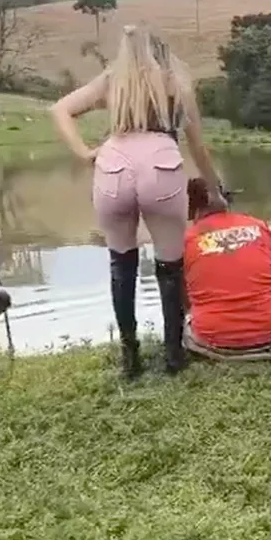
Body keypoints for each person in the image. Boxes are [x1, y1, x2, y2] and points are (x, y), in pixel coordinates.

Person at [50, 24, 226, 379]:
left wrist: (85, 153)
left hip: (112, 165)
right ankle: (173, 355)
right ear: (161, 52)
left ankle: (130, 358)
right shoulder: (175, 83)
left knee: (122, 262)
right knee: (170, 266)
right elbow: (198, 147)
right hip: (161, 166)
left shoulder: (112, 80)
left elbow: (60, 109)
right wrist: (215, 190)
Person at [182, 178, 271, 360]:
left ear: (190, 208)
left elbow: (184, 300)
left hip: (211, 340)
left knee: (187, 316)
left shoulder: (186, 240)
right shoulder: (261, 227)